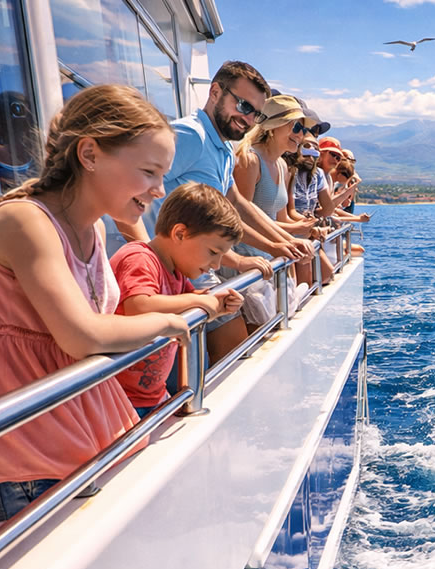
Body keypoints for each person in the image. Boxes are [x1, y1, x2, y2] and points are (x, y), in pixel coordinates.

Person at [0, 84, 187, 526]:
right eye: (149, 172)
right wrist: (166, 322)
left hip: (74, 455)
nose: (160, 190)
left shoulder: (90, 229)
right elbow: (81, 335)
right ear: (89, 154)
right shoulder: (25, 221)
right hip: (23, 471)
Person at [110, 61, 310, 362]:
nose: (247, 119)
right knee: (231, 358)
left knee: (231, 360)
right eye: (242, 105)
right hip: (167, 276)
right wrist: (145, 253)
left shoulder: (224, 148)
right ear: (215, 91)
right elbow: (123, 188)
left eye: (255, 114)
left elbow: (236, 203)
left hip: (192, 273)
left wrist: (276, 245)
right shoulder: (191, 136)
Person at [111, 183, 244, 417]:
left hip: (152, 396)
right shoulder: (140, 258)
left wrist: (219, 303)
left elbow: (187, 299)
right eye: (213, 252)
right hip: (118, 400)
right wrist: (202, 303)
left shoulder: (177, 271)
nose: (216, 265)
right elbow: (138, 306)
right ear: (180, 233)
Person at [232, 94, 328, 313]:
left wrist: (295, 239)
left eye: (304, 130)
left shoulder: (283, 166)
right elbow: (240, 216)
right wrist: (288, 240)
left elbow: (280, 218)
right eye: (296, 128)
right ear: (274, 126)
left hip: (276, 262)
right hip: (250, 266)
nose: (301, 136)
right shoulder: (249, 160)